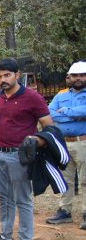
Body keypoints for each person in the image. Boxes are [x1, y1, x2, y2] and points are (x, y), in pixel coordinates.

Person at [0, 58, 53, 240]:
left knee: (22, 199)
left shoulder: (32, 97)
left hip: (19, 155)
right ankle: (6, 238)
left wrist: (35, 141)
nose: (2, 79)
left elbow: (49, 127)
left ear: (17, 75)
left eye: (6, 75)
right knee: (4, 198)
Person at [46, 61, 86, 228]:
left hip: (83, 142)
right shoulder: (61, 95)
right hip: (63, 143)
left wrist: (67, 112)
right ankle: (65, 211)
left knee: (85, 180)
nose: (78, 78)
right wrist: (75, 115)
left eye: (82, 75)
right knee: (65, 179)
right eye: (75, 75)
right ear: (69, 77)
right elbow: (49, 112)